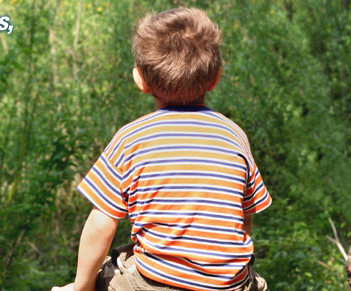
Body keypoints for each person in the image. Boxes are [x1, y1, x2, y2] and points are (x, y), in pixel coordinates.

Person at [52, 7, 271, 291]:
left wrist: (82, 286)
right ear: (216, 77)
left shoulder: (131, 139)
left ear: (139, 80)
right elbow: (245, 215)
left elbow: (101, 223)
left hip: (155, 284)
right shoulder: (234, 136)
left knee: (111, 269)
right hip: (231, 285)